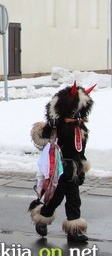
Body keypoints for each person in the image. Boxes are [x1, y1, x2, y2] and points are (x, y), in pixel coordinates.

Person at [29, 83, 95, 243]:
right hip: (57, 170)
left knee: (74, 200)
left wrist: (81, 169)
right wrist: (52, 124)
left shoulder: (81, 129)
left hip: (72, 169)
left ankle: (74, 231)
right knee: (55, 199)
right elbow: (43, 138)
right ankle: (42, 218)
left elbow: (80, 151)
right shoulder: (57, 125)